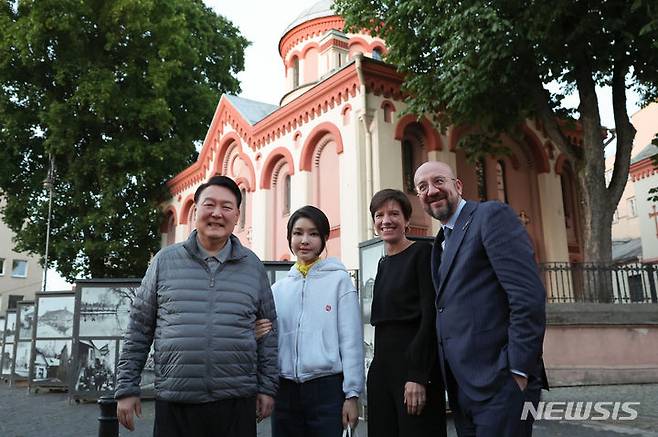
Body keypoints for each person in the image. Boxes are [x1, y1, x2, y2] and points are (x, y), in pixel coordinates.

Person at [115, 175, 278, 437]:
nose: (217, 213)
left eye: (227, 207)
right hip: (176, 401)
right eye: (209, 205)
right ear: (195, 211)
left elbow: (269, 333)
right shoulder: (164, 262)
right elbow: (139, 328)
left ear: (237, 215)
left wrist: (267, 388)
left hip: (236, 402)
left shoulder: (253, 266)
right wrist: (126, 388)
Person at [413, 161, 548, 437]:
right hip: (463, 388)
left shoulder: (490, 216)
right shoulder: (439, 243)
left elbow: (527, 297)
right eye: (422, 187)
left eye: (439, 181)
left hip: (501, 385)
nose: (431, 191)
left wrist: (518, 371)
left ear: (458, 186)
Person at [268, 205, 364, 437]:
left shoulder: (339, 282)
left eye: (313, 233)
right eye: (298, 233)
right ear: (289, 237)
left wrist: (352, 395)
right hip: (285, 390)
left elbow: (351, 341)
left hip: (327, 390)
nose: (304, 240)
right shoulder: (278, 289)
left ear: (324, 239)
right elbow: (270, 341)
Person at [366, 189, 446, 437]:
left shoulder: (422, 254)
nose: (386, 220)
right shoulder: (382, 263)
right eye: (379, 215)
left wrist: (418, 375)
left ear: (406, 220)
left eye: (394, 214)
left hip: (413, 369)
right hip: (382, 369)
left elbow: (431, 317)